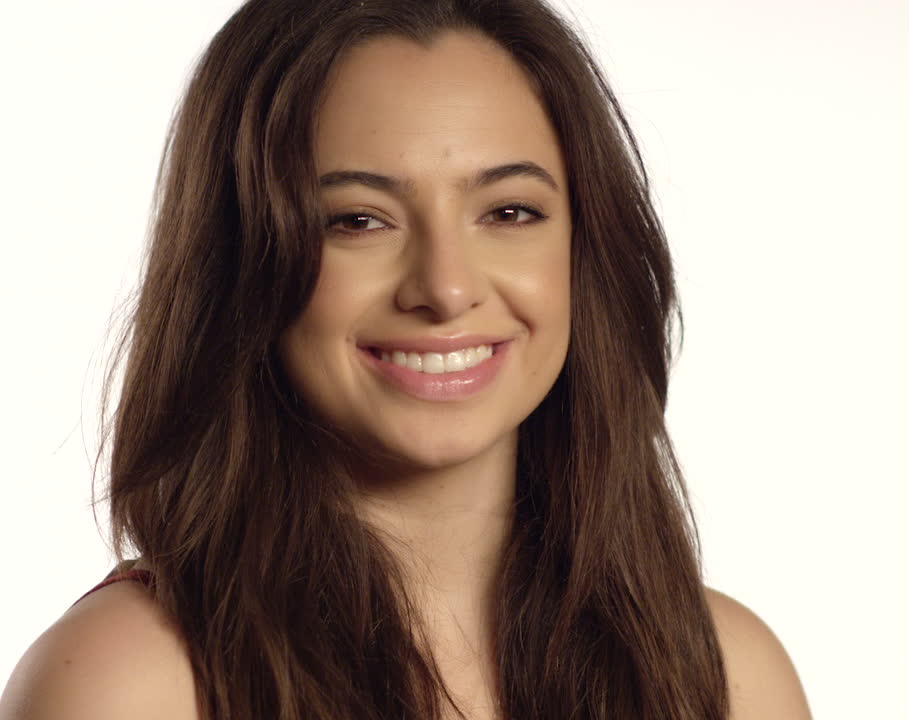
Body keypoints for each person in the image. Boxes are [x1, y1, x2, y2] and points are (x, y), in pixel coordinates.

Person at [0, 0, 810, 718]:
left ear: (585, 249)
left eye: (509, 211)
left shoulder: (728, 678)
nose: (447, 289)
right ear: (240, 266)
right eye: (358, 220)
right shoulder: (128, 683)